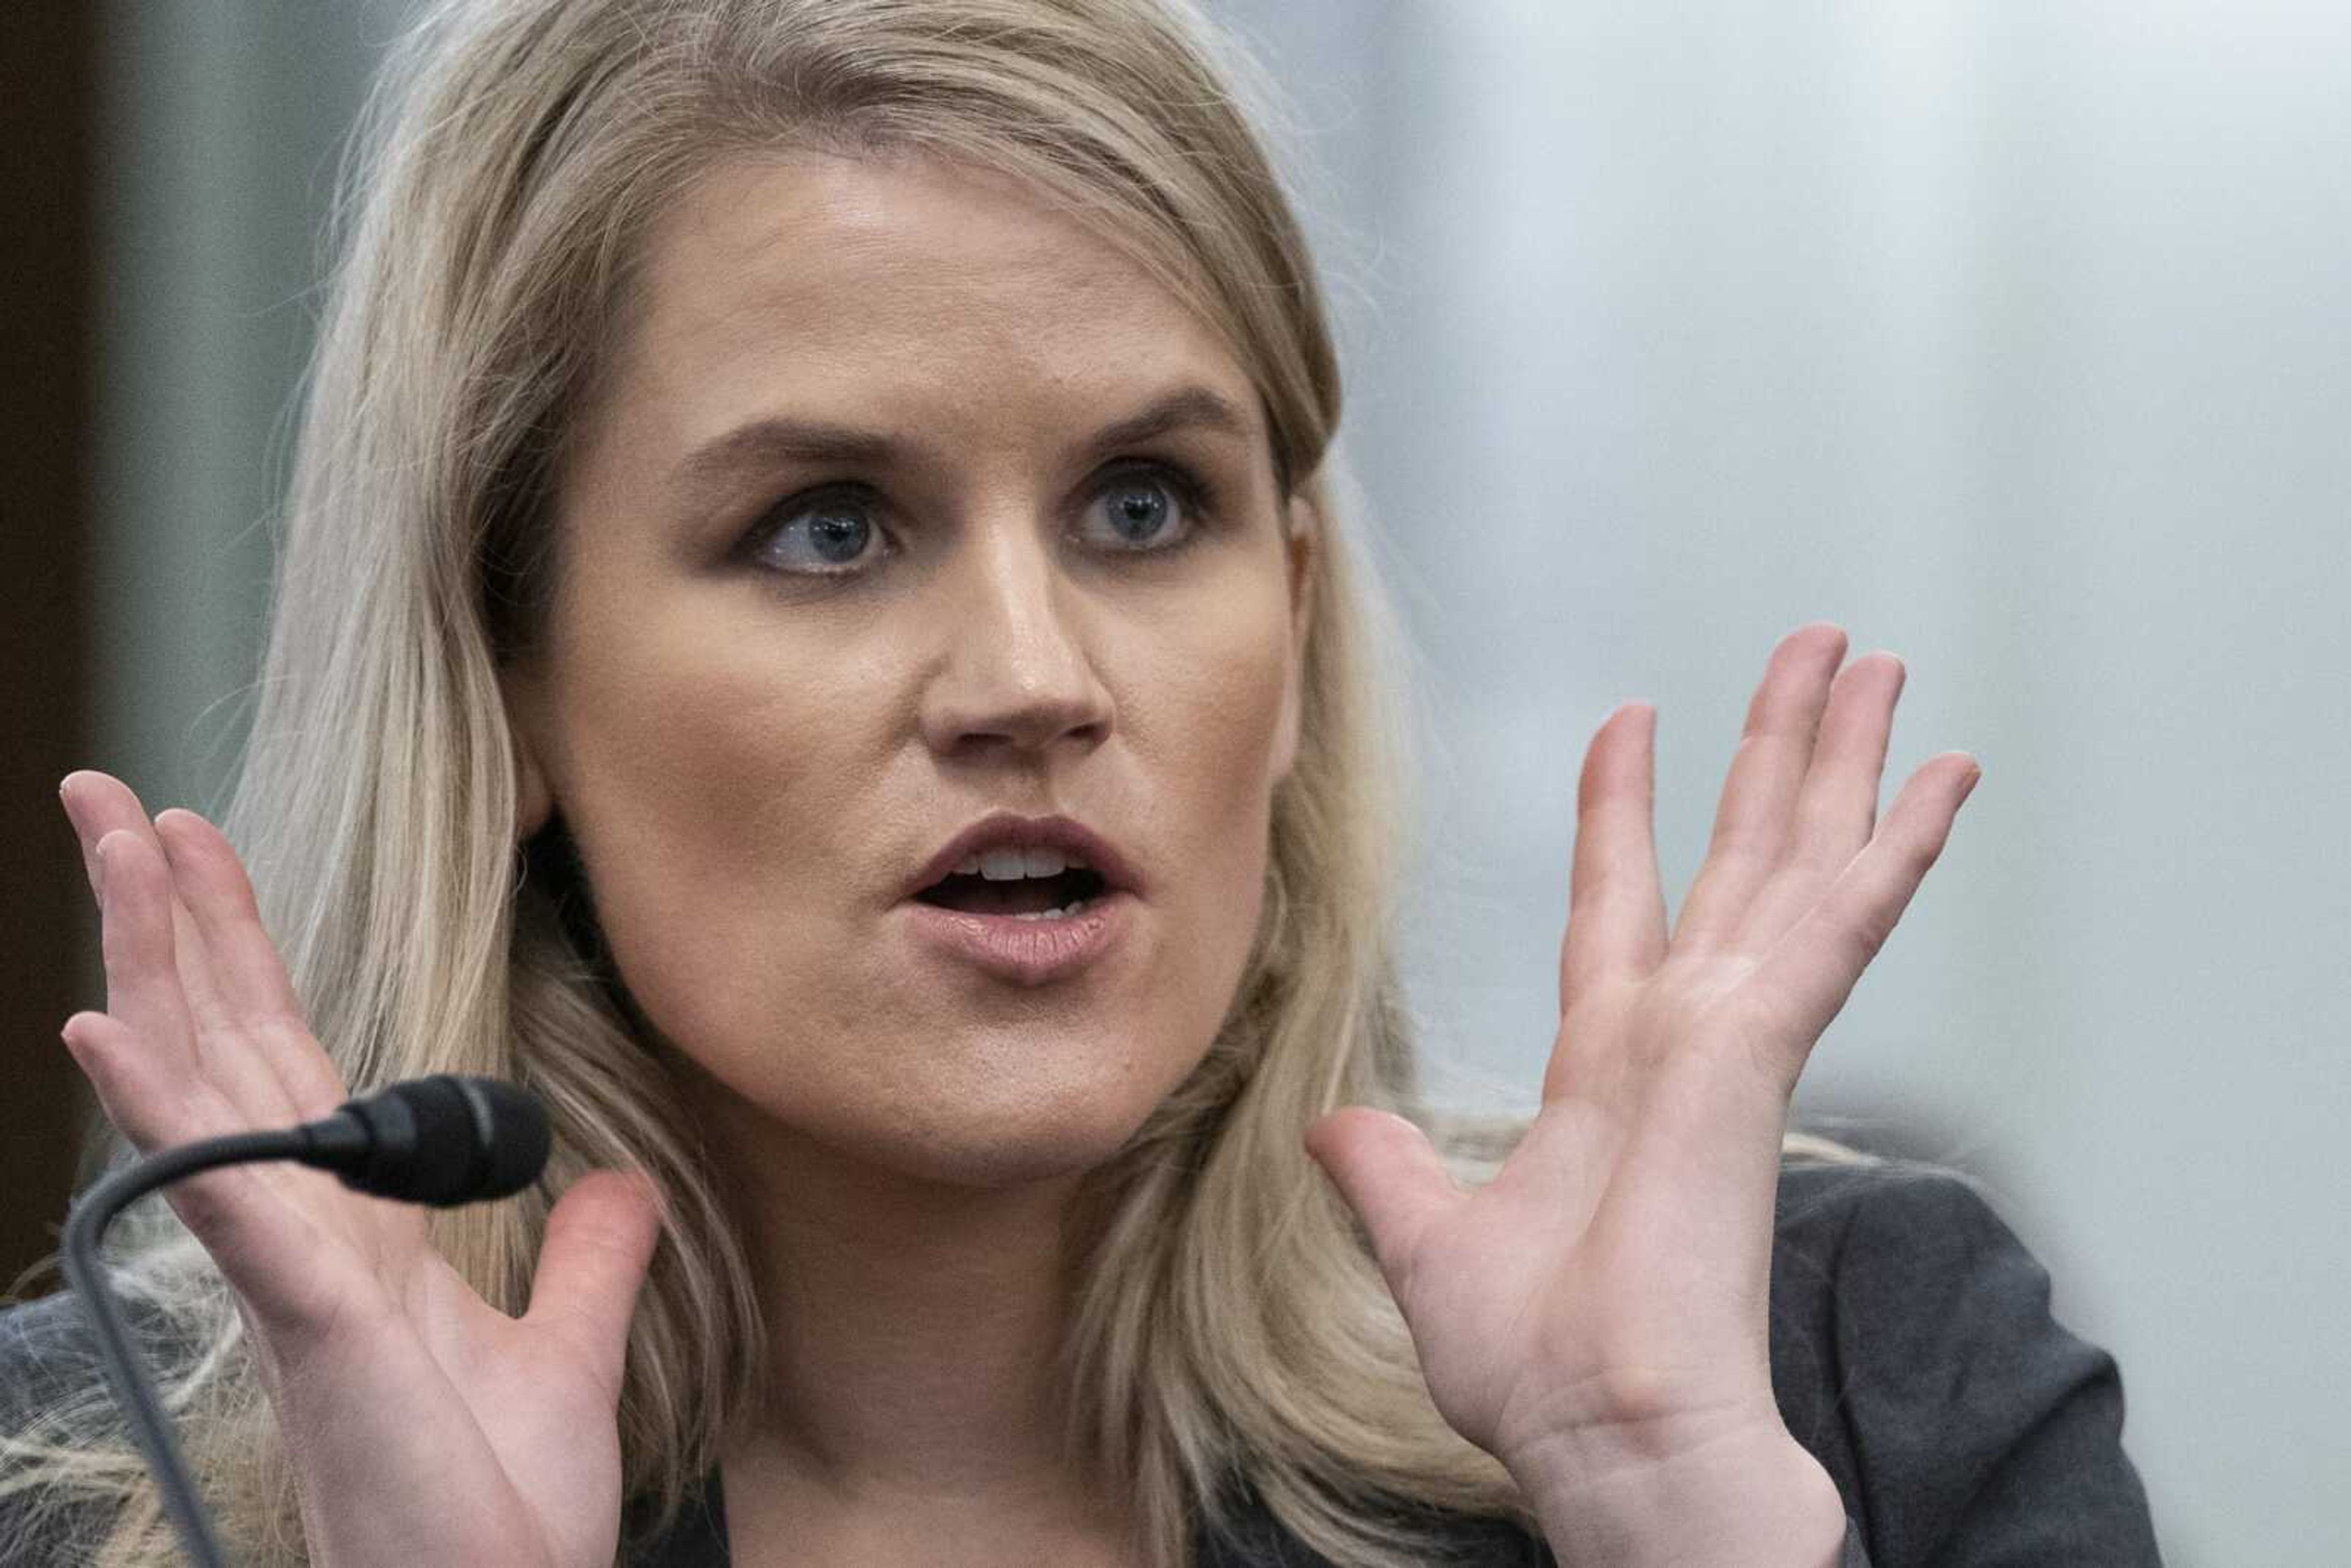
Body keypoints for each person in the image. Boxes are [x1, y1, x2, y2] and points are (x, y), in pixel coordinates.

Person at [0, 1, 2162, 1564]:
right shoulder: (111, 1502)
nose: (1035, 681)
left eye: (1144, 507)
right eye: (828, 526)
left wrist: (1661, 1500)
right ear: (511, 681)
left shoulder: (1844, 1386)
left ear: (1295, 624)